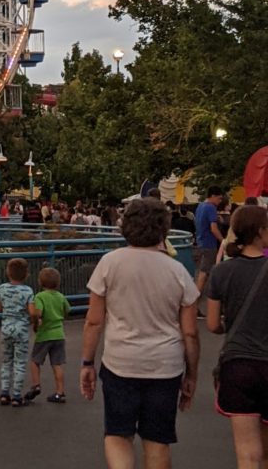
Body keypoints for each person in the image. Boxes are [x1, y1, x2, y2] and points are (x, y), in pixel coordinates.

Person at [80, 198, 200, 469]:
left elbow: (94, 322)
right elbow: (190, 332)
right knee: (157, 440)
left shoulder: (109, 263)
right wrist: (191, 373)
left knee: (118, 434)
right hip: (165, 366)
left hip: (120, 362)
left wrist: (87, 362)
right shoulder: (178, 271)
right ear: (164, 229)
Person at [207, 203, 268, 468]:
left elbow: (211, 324)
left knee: (247, 454)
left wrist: (228, 327)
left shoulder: (221, 271)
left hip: (238, 365)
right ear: (261, 232)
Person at [26, 267, 71, 404]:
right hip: (59, 334)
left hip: (44, 334)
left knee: (35, 360)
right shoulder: (61, 296)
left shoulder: (40, 296)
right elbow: (67, 310)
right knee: (57, 364)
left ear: (40, 282)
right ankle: (60, 392)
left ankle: (36, 385)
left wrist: (35, 321)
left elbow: (37, 313)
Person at [0, 257, 37, 406]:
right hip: (21, 329)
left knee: (6, 361)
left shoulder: (2, 288)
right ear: (26, 274)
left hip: (6, 328)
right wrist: (34, 319)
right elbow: (32, 312)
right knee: (20, 362)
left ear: (8, 272)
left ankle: (4, 393)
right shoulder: (28, 291)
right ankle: (17, 395)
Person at [194, 186, 225, 304]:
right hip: (209, 243)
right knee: (204, 272)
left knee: (204, 271)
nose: (220, 201)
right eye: (219, 198)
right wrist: (223, 240)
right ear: (213, 196)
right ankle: (195, 303)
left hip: (201, 241)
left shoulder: (200, 206)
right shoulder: (211, 207)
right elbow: (213, 228)